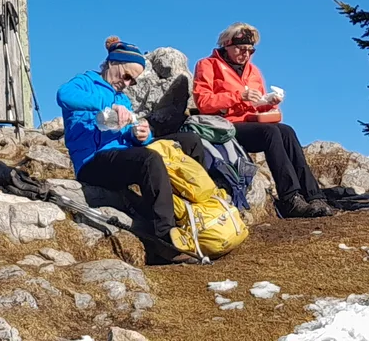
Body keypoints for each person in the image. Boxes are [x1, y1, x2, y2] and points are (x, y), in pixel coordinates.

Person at [58, 39, 204, 265]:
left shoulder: (122, 98)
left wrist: (140, 136)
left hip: (120, 157)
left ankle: (199, 219)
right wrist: (107, 105)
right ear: (112, 63)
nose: (126, 84)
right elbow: (64, 95)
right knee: (148, 160)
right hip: (92, 163)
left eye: (132, 81)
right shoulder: (85, 82)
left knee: (189, 142)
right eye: (126, 76)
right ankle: (164, 241)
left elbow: (125, 136)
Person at [192, 23, 335, 218]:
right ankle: (290, 199)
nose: (246, 55)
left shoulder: (253, 71)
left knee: (286, 130)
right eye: (241, 49)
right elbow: (204, 102)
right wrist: (238, 95)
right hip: (224, 125)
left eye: (251, 50)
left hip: (250, 121)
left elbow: (255, 103)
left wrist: (268, 103)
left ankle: (314, 196)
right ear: (227, 44)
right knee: (271, 132)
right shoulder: (207, 65)